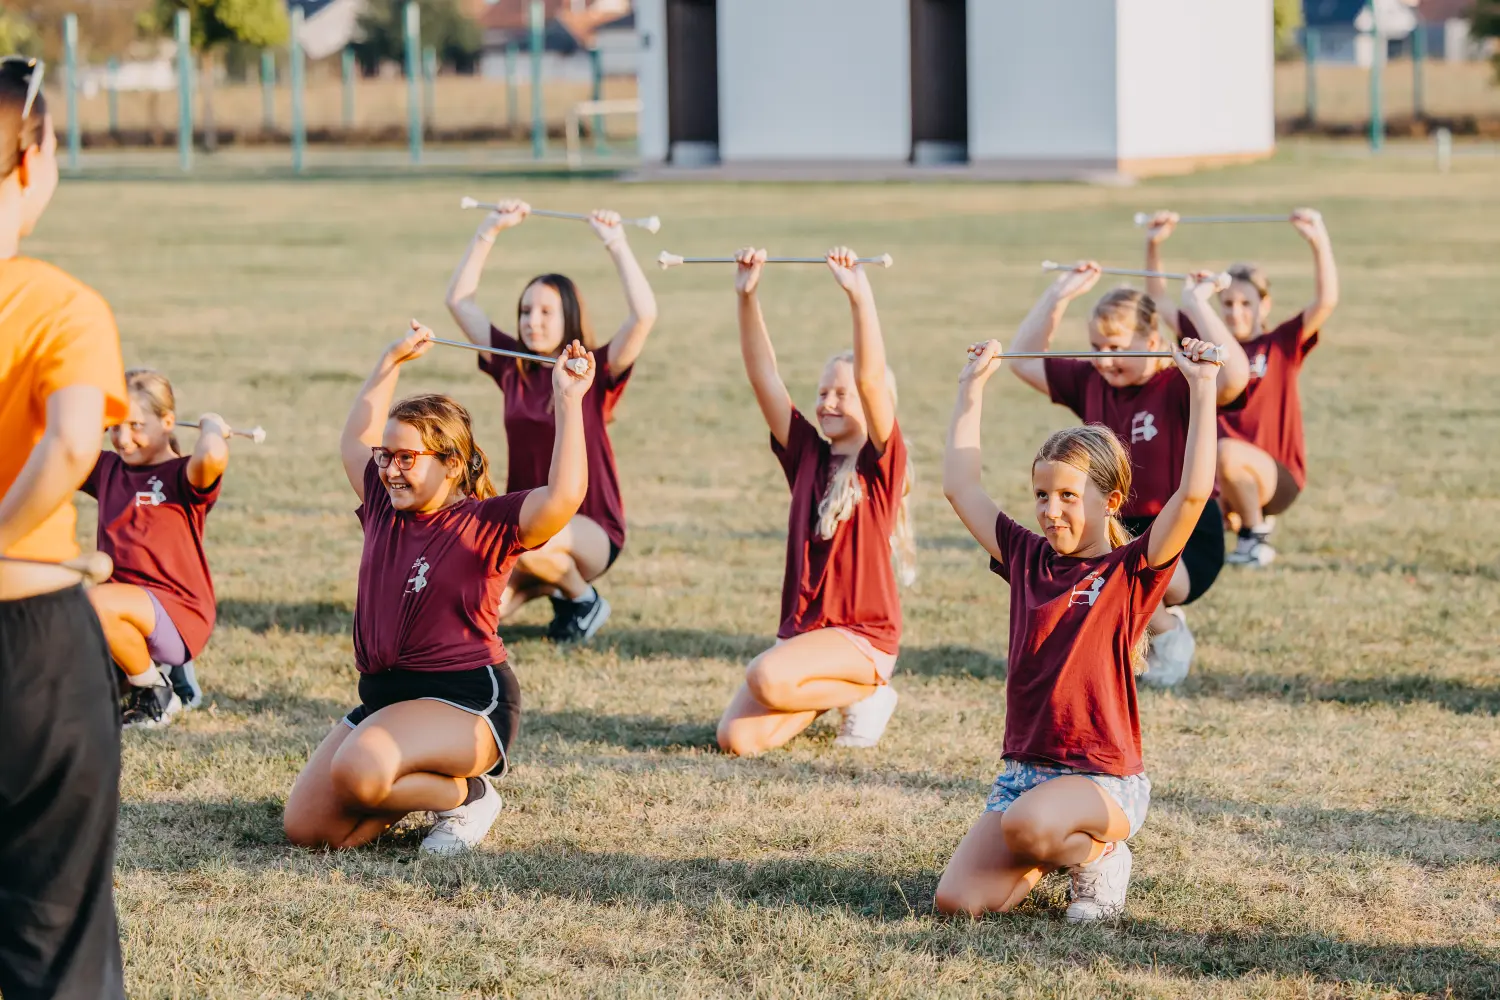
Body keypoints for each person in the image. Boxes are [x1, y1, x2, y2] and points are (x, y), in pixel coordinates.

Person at [935, 332, 1224, 922]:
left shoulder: (1132, 569)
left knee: (1028, 826)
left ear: (1111, 500)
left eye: (1068, 495)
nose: (1050, 510)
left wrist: (1202, 387)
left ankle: (1102, 858)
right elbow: (960, 486)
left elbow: (1193, 494)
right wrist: (972, 388)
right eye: (1041, 495)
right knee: (957, 902)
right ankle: (1051, 845)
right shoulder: (1024, 555)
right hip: (1025, 775)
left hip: (1101, 779)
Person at [283, 323, 591, 854]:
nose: (390, 470)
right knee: (310, 832)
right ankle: (409, 778)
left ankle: (467, 796)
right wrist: (390, 361)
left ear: (450, 463)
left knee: (358, 771)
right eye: (387, 455)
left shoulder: (489, 522)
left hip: (466, 702)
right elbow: (354, 438)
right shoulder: (384, 504)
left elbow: (565, 494)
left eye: (407, 458)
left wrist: (568, 400)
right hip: (388, 702)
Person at [0, 56, 130, 1000]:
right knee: (56, 938)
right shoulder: (61, 306)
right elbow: (74, 439)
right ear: (30, 158)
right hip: (33, 643)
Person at [1004, 263, 1249, 687]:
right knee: (1092, 563)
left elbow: (1234, 377)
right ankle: (1131, 635)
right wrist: (1059, 294)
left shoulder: (1178, 382)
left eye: (1117, 346)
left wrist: (1196, 301)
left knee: (1126, 573)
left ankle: (1169, 633)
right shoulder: (1090, 381)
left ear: (1153, 342)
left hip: (1187, 532)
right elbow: (1022, 358)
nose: (1106, 359)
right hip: (1121, 525)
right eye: (1096, 347)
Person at [715, 248, 916, 756]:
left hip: (860, 636)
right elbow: (764, 377)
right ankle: (845, 693)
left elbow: (870, 378)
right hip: (804, 636)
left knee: (765, 676)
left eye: (840, 395)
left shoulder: (880, 461)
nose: (826, 402)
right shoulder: (806, 453)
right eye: (822, 392)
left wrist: (858, 295)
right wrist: (746, 296)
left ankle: (871, 690)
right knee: (735, 739)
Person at [445, 199, 657, 642]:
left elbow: (644, 316)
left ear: (569, 319)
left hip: (591, 529)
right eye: (525, 311)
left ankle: (583, 599)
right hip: (527, 527)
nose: (531, 322)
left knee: (524, 543)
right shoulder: (512, 365)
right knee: (479, 614)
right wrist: (491, 228)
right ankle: (564, 594)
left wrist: (616, 242)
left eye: (545, 313)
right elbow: (459, 301)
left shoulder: (591, 369)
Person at [1143, 209, 1339, 566]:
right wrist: (1153, 245)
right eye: (1228, 304)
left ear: (1265, 304)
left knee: (1226, 453)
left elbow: (1325, 301)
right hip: (1221, 477)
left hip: (1276, 476)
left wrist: (1318, 240)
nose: (1236, 313)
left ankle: (1254, 539)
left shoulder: (1281, 342)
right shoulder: (1207, 338)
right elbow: (1160, 301)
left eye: (1246, 303)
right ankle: (1235, 515)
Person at [82, 369, 232, 726]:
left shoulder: (182, 475)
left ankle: (155, 691)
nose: (122, 438)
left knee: (94, 603)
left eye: (135, 425)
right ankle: (165, 677)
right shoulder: (107, 469)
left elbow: (212, 455)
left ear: (167, 422)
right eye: (115, 426)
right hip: (125, 611)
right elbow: (56, 449)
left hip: (178, 613)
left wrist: (211, 426)